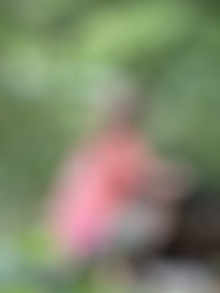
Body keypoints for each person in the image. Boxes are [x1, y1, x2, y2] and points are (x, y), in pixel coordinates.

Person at [49, 89, 181, 274]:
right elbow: (137, 182)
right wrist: (170, 185)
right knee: (153, 216)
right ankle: (110, 269)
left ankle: (102, 269)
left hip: (71, 223)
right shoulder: (121, 144)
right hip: (95, 224)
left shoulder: (91, 143)